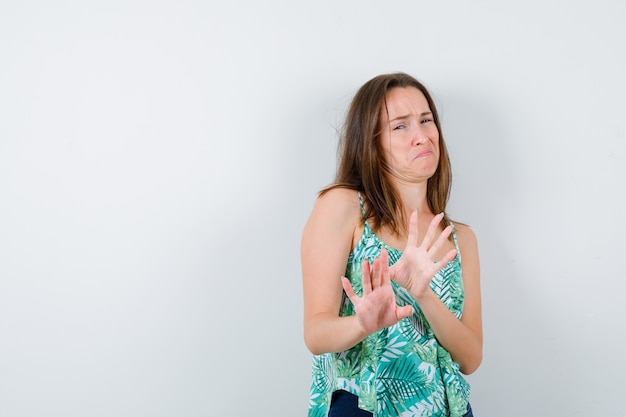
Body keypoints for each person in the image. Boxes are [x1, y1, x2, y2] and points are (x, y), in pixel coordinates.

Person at [301, 73, 482, 417]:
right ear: (371, 143)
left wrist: (424, 294)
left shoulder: (459, 237)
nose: (421, 136)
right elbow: (316, 333)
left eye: (426, 120)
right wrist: (363, 324)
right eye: (400, 126)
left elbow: (471, 358)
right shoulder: (343, 207)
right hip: (363, 405)